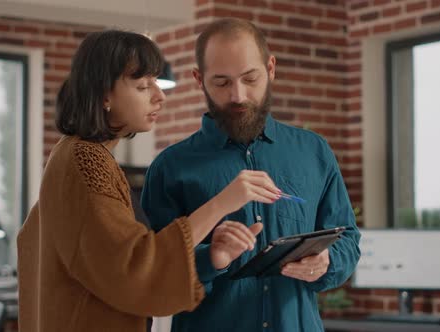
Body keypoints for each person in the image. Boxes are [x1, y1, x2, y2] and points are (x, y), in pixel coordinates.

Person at [16, 29, 282, 332]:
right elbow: (131, 265)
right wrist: (223, 203)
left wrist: (214, 254)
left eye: (156, 82)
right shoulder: (85, 159)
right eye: (143, 86)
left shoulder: (76, 152)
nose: (160, 95)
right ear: (104, 95)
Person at [141, 18, 361, 331]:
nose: (238, 96)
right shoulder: (170, 167)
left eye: (250, 78)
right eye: (221, 83)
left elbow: (348, 240)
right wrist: (210, 258)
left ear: (270, 69)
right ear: (198, 79)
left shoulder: (314, 151)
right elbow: (153, 277)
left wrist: (327, 261)